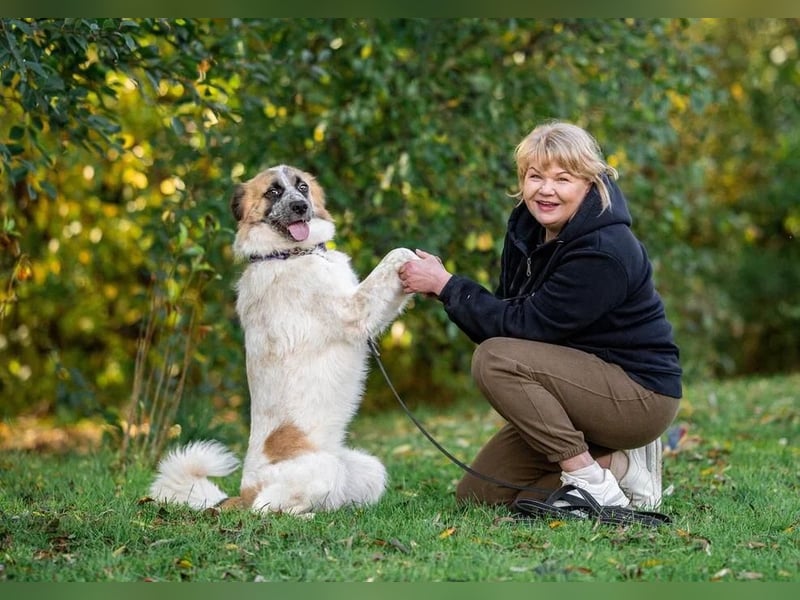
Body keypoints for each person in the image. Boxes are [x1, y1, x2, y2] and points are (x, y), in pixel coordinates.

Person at [398, 120, 682, 512]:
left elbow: (527, 329)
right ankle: (620, 468)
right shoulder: (528, 229)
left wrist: (450, 287)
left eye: (562, 179)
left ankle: (589, 479)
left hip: (639, 396)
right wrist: (445, 291)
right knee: (482, 496)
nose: (545, 190)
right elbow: (507, 315)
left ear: (590, 183)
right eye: (535, 176)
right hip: (577, 387)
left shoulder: (605, 250)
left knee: (494, 359)